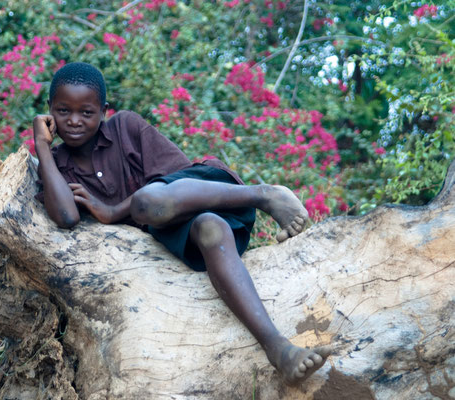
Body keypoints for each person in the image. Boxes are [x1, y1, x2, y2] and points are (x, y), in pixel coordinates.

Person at [34, 62, 329, 386]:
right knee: (211, 229)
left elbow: (177, 177)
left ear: (104, 111)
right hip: (176, 231)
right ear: (49, 111)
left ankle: (265, 194)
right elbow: (66, 217)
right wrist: (42, 146)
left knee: (147, 202)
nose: (74, 121)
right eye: (63, 111)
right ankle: (280, 349)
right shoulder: (57, 167)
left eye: (86, 112)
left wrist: (114, 210)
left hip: (209, 194)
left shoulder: (125, 127)